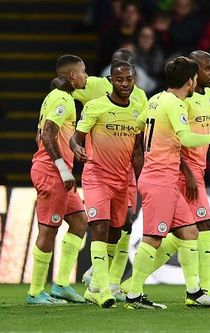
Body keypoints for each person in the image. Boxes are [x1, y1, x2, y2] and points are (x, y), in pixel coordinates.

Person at [119, 50, 210, 300]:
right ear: (190, 80)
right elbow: (186, 138)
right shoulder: (175, 104)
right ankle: (133, 293)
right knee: (153, 238)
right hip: (160, 179)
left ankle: (195, 293)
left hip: (163, 178)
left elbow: (137, 126)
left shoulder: (155, 100)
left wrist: (147, 148)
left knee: (189, 233)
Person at [74, 48, 148, 302]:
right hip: (96, 176)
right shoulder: (96, 106)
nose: (125, 84)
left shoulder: (139, 108)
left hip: (123, 178)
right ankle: (103, 289)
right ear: (110, 80)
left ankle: (95, 281)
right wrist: (78, 149)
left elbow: (137, 149)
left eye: (129, 79)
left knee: (119, 229)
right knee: (100, 226)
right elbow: (76, 138)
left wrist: (143, 179)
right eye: (119, 79)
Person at [27, 55, 88, 305]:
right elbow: (49, 135)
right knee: (48, 230)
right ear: (72, 75)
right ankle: (35, 292)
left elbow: (38, 136)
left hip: (58, 172)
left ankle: (62, 285)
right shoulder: (63, 99)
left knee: (79, 222)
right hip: (53, 173)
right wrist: (62, 167)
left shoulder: (54, 97)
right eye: (83, 72)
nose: (85, 75)